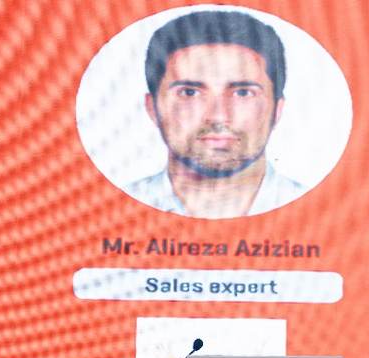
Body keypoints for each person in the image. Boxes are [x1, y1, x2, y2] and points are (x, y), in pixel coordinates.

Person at [126, 11, 305, 218]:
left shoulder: (324, 213)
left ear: (277, 110)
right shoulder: (112, 211)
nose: (218, 116)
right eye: (189, 93)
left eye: (243, 93)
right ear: (152, 108)